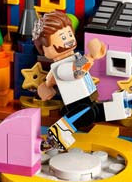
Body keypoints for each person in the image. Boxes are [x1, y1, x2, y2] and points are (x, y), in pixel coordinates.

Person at [33, 10, 127, 152]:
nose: (68, 39)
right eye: (63, 37)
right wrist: (90, 57)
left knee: (100, 111)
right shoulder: (60, 68)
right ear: (45, 49)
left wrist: (93, 55)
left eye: (69, 34)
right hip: (77, 103)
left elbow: (79, 65)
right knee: (85, 114)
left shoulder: (75, 58)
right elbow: (76, 71)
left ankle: (124, 106)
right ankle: (54, 139)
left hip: (89, 98)